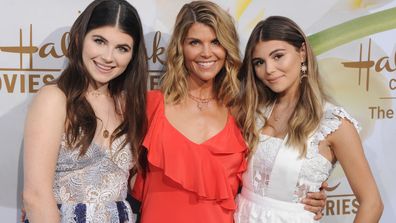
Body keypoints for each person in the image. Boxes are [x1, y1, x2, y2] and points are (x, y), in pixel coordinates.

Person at [132, 2, 326, 223]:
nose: (206, 53)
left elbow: (273, 169)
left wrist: (305, 194)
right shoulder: (151, 106)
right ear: (180, 48)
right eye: (195, 42)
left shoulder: (244, 111)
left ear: (227, 47)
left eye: (216, 42)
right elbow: (116, 175)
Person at [234, 16, 383, 222]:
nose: (268, 69)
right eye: (259, 62)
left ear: (302, 52)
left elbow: (372, 203)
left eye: (278, 56)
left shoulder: (334, 123)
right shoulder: (250, 111)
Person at [22, 0, 148, 222]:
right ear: (80, 38)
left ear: (133, 55)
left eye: (122, 48)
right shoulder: (55, 99)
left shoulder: (127, 104)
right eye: (99, 41)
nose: (109, 57)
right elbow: (35, 196)